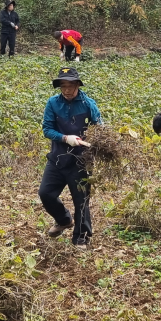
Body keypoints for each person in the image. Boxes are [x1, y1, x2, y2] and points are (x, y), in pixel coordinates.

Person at [39, 66, 102, 248]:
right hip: (58, 158)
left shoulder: (88, 104)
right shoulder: (53, 103)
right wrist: (65, 138)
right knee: (45, 193)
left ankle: (81, 237)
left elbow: (100, 129)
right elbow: (47, 129)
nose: (66, 90)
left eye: (70, 86)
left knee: (81, 200)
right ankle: (64, 219)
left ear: (77, 85)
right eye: (63, 86)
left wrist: (91, 142)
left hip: (80, 161)